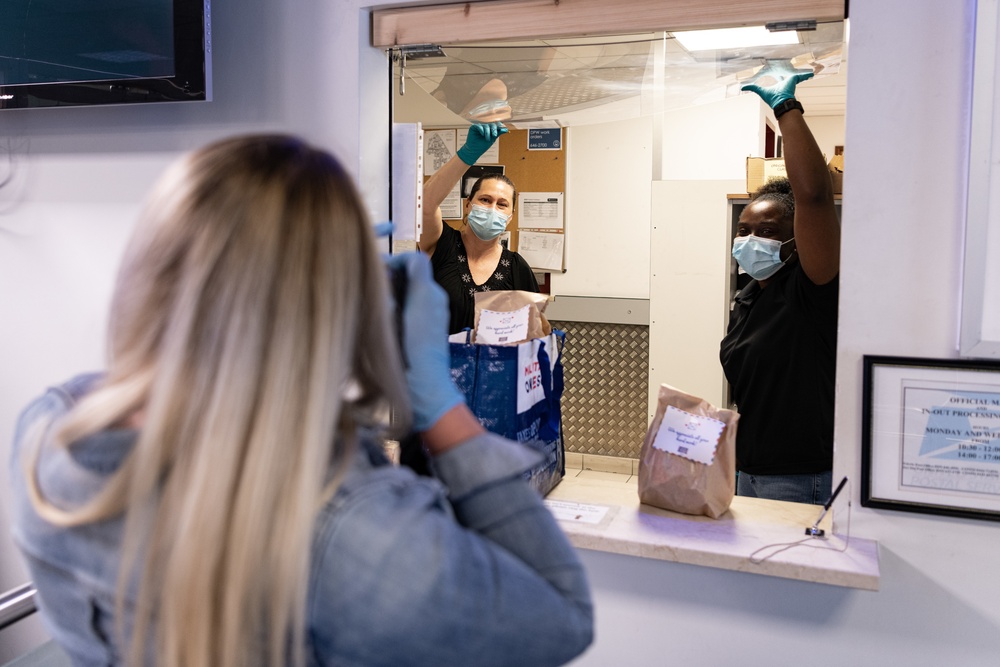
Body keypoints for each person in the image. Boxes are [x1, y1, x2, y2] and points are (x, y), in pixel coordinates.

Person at [8, 135, 593, 666]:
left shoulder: (51, 433)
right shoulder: (354, 530)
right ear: (337, 302)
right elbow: (561, 614)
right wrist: (438, 404)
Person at [719, 66, 841, 505]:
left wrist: (785, 110)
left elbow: (814, 197)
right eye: (744, 229)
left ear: (796, 238)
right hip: (747, 467)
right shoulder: (749, 296)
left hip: (799, 476)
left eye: (767, 231)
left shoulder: (812, 288)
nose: (751, 241)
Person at [420, 122, 539, 334]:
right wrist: (467, 155)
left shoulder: (517, 268)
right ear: (468, 204)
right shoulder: (442, 244)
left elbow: (531, 334)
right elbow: (425, 205)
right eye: (485, 199)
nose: (492, 208)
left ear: (510, 217)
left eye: (502, 204)